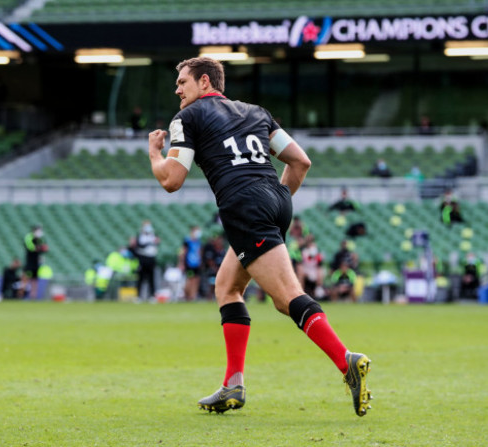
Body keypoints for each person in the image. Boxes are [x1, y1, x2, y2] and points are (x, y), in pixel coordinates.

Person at [146, 57, 371, 416]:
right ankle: (233, 385)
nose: (177, 90)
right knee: (227, 287)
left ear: (204, 82)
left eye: (182, 83)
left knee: (287, 299)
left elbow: (172, 179)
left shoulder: (186, 119)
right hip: (276, 200)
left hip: (244, 208)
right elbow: (300, 162)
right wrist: (275, 201)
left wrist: (154, 153)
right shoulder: (257, 112)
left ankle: (347, 362)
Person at [130, 220, 160, 300]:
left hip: (151, 258)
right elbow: (140, 245)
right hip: (143, 258)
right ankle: (138, 296)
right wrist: (150, 243)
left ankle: (152, 296)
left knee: (151, 278)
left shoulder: (153, 235)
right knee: (141, 278)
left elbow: (157, 244)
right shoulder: (140, 235)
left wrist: (155, 242)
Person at [19, 225, 48, 299]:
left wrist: (42, 248)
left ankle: (33, 296)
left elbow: (44, 249)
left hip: (36, 262)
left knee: (35, 279)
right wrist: (40, 248)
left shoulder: (40, 239)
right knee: (25, 277)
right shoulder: (29, 237)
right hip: (29, 261)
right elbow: (31, 247)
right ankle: (20, 295)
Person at [299, 234, 326, 300]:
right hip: (305, 269)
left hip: (314, 269)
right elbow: (300, 262)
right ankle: (300, 293)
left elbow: (320, 264)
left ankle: (318, 290)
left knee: (320, 272)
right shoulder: (302, 250)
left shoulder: (317, 250)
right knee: (300, 272)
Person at [180, 225, 203, 301]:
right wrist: (182, 263)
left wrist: (200, 262)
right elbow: (183, 252)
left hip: (196, 264)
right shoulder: (187, 241)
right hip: (189, 264)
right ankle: (187, 295)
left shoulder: (199, 242)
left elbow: (199, 252)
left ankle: (193, 295)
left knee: (196, 279)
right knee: (190, 279)